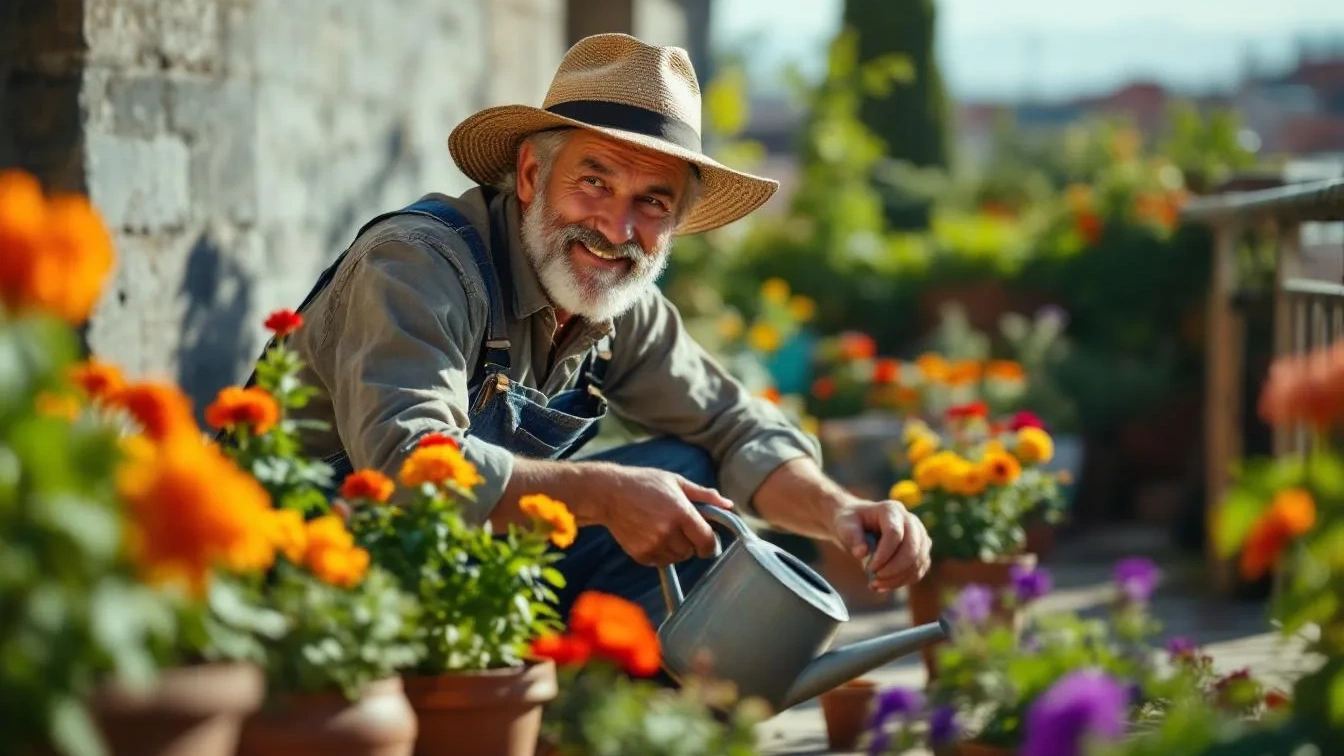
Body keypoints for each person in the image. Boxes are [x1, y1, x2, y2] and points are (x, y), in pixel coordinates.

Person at [259, 33, 932, 625]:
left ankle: (596, 713)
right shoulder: (418, 264)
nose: (617, 228)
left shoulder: (616, 303)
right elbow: (411, 465)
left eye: (652, 202)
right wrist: (604, 494)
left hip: (454, 578)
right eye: (595, 182)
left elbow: (733, 426)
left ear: (674, 223)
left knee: (693, 483)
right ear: (530, 175)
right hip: (305, 572)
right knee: (647, 492)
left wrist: (842, 514)